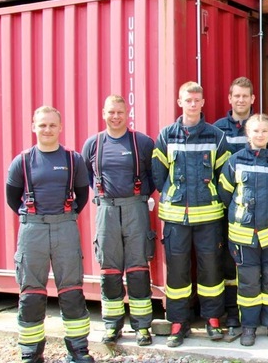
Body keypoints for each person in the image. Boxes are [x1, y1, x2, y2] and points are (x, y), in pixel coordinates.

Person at [6, 106, 94, 363]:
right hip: (32, 229)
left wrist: (62, 217)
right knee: (31, 293)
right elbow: (13, 199)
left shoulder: (72, 159)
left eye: (52, 125)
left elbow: (82, 195)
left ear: (60, 127)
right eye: (42, 125)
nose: (47, 130)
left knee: (72, 291)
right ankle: (31, 353)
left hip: (65, 227)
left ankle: (78, 351)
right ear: (34, 126)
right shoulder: (21, 161)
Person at [152, 81, 231, 347]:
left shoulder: (216, 136)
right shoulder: (166, 135)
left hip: (209, 216)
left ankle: (212, 319)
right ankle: (178, 322)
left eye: (197, 99)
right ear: (180, 102)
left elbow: (224, 177)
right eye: (188, 100)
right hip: (176, 218)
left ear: (203, 103)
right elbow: (158, 175)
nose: (193, 104)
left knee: (211, 270)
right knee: (177, 272)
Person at [82, 95, 156, 347]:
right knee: (109, 270)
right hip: (106, 210)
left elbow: (154, 177)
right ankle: (112, 325)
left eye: (120, 112)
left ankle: (142, 326)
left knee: (137, 269)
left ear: (128, 113)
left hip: (135, 208)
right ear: (103, 113)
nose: (115, 117)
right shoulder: (93, 144)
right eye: (111, 112)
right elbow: (86, 180)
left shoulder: (142, 143)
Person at [219, 114, 268, 346]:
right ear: (247, 134)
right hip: (243, 235)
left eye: (264, 131)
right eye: (255, 131)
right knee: (248, 282)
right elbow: (225, 194)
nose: (260, 135)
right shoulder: (234, 161)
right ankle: (249, 327)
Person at [213, 76, 256, 329]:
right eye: (236, 96)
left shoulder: (261, 126)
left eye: (245, 96)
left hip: (257, 211)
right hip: (228, 208)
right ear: (230, 99)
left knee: (254, 263)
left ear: (252, 99)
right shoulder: (217, 129)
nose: (240, 100)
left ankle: (254, 311)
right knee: (229, 264)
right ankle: (231, 312)